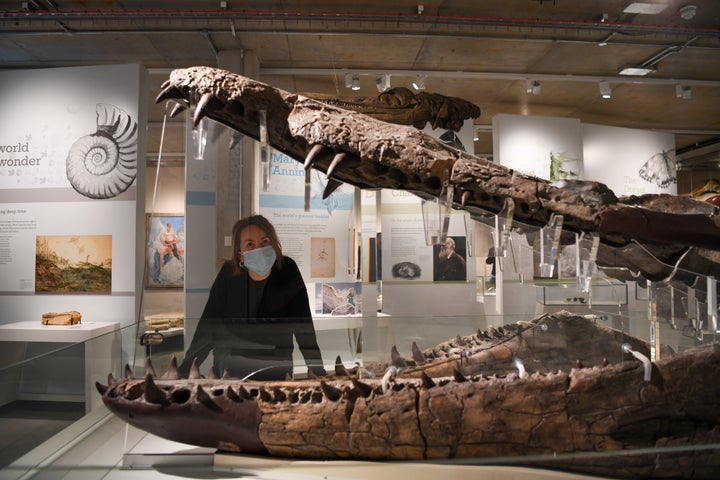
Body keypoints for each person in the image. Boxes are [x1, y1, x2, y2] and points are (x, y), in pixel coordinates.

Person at [179, 214, 327, 380]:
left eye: (265, 241)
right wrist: (186, 370)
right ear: (240, 254)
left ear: (273, 243)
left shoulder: (287, 270)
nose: (260, 249)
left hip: (275, 369)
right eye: (250, 244)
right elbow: (209, 327)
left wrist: (317, 369)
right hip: (231, 369)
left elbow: (303, 325)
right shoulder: (228, 274)